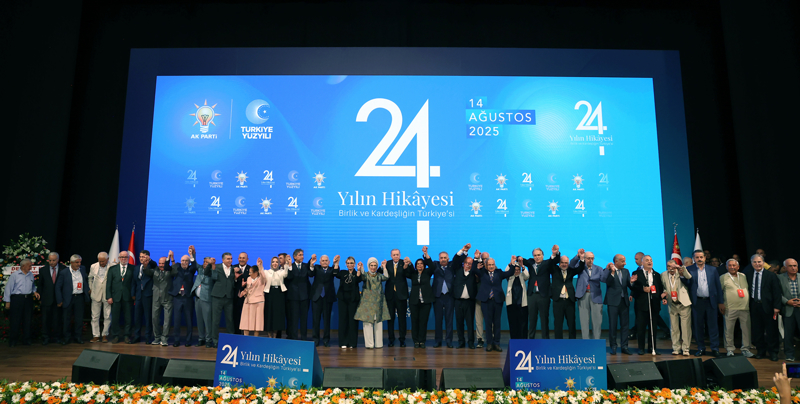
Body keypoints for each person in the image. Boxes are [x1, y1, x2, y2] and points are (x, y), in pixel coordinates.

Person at [741, 253, 781, 360]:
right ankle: (760, 351)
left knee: (771, 330)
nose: (757, 264)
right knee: (757, 330)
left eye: (759, 262)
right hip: (754, 306)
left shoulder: (771, 275)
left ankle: (773, 352)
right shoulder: (747, 274)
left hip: (768, 306)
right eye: (755, 262)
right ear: (751, 263)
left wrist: (777, 307)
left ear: (763, 263)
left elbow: (777, 292)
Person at [685, 249, 724, 357]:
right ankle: (701, 348)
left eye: (701, 257)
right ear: (694, 258)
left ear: (705, 258)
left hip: (711, 301)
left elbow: (718, 286)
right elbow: (686, 283)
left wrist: (720, 302)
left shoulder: (713, 269)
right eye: (697, 257)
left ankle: (715, 349)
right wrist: (682, 275)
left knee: (713, 326)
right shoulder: (689, 269)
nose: (699, 259)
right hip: (697, 302)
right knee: (698, 327)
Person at [424, 246, 462, 348]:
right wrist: (426, 253)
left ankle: (449, 340)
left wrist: (463, 250)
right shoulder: (435, 265)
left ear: (448, 259)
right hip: (438, 296)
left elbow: (457, 259)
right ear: (439, 259)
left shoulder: (452, 265)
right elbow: (428, 262)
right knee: (438, 320)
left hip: (449, 296)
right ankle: (438, 341)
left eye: (445, 258)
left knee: (449, 320)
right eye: (441, 258)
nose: (443, 259)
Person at [476, 255, 515, 352]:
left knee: (497, 323)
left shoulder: (499, 272)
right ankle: (489, 343)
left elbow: (510, 273)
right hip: (486, 301)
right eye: (489, 265)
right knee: (488, 323)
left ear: (495, 265)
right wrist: (476, 259)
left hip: (497, 301)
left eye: (492, 264)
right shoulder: (482, 272)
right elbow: (473, 270)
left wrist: (512, 263)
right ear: (486, 265)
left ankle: (497, 343)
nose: (491, 266)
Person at [522, 245, 561, 339]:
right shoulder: (531, 262)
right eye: (535, 255)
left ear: (542, 255)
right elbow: (522, 260)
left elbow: (555, 261)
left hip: (543, 295)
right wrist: (518, 258)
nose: (537, 257)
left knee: (544, 319)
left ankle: (545, 339)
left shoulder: (547, 263)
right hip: (532, 295)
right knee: (532, 319)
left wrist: (555, 254)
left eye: (539, 255)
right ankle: (531, 339)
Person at [631, 255, 664, 355]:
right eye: (647, 260)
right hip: (641, 305)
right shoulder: (636, 273)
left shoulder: (657, 275)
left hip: (654, 304)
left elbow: (660, 289)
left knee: (653, 328)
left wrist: (663, 297)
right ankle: (641, 348)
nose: (650, 262)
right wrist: (642, 289)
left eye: (651, 260)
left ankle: (652, 347)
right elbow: (634, 288)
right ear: (642, 263)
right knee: (641, 328)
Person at [719, 258, 753, 357]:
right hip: (730, 307)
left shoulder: (743, 276)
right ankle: (730, 349)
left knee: (746, 330)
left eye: (734, 265)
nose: (732, 267)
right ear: (726, 267)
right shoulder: (723, 277)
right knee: (729, 330)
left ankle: (746, 349)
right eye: (730, 265)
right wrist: (720, 303)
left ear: (738, 267)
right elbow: (719, 292)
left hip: (744, 308)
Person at [354, 258, 390, 349]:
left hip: (378, 303)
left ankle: (379, 344)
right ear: (368, 266)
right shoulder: (366, 275)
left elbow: (386, 277)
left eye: (375, 265)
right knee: (367, 324)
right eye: (371, 265)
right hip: (367, 304)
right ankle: (369, 344)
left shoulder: (379, 276)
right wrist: (361, 268)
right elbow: (362, 276)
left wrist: (384, 267)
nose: (373, 267)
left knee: (378, 323)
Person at [601, 254, 632, 355]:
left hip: (624, 302)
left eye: (625, 261)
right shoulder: (608, 271)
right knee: (613, 325)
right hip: (613, 302)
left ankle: (624, 346)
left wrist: (632, 282)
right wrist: (613, 272)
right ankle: (613, 346)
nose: (625, 263)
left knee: (625, 326)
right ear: (616, 262)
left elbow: (629, 285)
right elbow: (608, 282)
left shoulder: (626, 271)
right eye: (623, 261)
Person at [549, 249, 584, 340]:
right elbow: (551, 263)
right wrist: (555, 254)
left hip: (569, 301)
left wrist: (581, 258)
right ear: (559, 263)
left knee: (571, 322)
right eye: (562, 262)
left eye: (566, 263)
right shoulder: (554, 269)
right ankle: (558, 342)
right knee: (558, 323)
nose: (564, 264)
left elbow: (580, 268)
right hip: (558, 300)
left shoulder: (571, 270)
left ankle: (572, 342)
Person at [4, 259, 40, 346]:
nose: (31, 267)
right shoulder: (14, 275)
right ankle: (13, 341)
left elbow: (32, 286)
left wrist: (35, 291)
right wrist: (7, 301)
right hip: (17, 299)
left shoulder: (30, 274)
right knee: (15, 320)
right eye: (29, 266)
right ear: (23, 266)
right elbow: (8, 288)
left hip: (28, 299)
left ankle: (26, 340)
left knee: (27, 320)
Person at [56, 254, 90, 344]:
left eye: (80, 262)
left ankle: (78, 337)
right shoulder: (64, 272)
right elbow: (58, 287)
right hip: (68, 298)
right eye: (77, 262)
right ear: (71, 262)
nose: (79, 264)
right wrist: (59, 300)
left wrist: (87, 290)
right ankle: (66, 337)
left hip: (79, 297)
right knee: (66, 319)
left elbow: (85, 281)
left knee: (79, 319)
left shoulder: (82, 269)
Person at [660, 259, 692, 356]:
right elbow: (664, 287)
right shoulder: (663, 275)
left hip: (683, 304)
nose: (671, 268)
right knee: (674, 328)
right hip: (672, 304)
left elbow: (689, 277)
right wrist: (664, 295)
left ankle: (686, 349)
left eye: (673, 266)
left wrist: (680, 268)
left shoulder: (681, 272)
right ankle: (676, 348)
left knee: (685, 328)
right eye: (668, 266)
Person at [572, 249, 603, 340]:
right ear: (584, 258)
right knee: (584, 320)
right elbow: (571, 264)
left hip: (595, 296)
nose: (590, 260)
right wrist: (578, 256)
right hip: (583, 295)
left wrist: (609, 271)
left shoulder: (599, 268)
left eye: (592, 258)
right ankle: (586, 341)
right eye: (588, 258)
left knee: (597, 321)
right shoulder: (580, 266)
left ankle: (596, 341)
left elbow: (604, 279)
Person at [207, 252, 236, 347]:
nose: (230, 260)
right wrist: (211, 264)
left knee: (230, 320)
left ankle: (231, 340)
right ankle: (215, 341)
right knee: (215, 320)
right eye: (228, 259)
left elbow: (233, 281)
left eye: (231, 259)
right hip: (217, 297)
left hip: (229, 298)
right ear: (223, 260)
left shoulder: (233, 269)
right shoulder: (216, 266)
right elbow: (210, 275)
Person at [309, 254, 339, 347]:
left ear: (329, 262)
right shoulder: (316, 268)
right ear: (320, 262)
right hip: (316, 297)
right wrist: (311, 264)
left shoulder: (332, 269)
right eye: (323, 260)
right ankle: (315, 339)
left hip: (327, 298)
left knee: (327, 320)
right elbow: (310, 274)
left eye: (326, 260)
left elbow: (336, 273)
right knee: (316, 320)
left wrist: (336, 264)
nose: (325, 262)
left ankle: (326, 340)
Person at [405, 254, 434, 348]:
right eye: (418, 264)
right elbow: (405, 272)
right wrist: (408, 263)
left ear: (424, 265)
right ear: (415, 265)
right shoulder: (413, 274)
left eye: (421, 263)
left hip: (426, 302)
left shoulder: (428, 272)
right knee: (415, 322)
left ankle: (422, 341)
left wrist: (426, 255)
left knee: (423, 322)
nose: (419, 265)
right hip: (414, 302)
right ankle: (416, 341)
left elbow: (432, 266)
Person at [383, 249, 409, 347]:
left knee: (402, 319)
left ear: (400, 255)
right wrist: (382, 266)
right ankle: (391, 339)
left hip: (401, 295)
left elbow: (409, 273)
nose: (396, 256)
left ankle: (402, 339)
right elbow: (380, 273)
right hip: (390, 295)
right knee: (390, 318)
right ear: (391, 255)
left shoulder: (404, 263)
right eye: (394, 255)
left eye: (397, 254)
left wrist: (407, 265)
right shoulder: (388, 264)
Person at [39, 252, 67, 345]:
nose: (51, 262)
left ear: (58, 260)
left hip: (59, 299)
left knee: (57, 319)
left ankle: (57, 337)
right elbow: (40, 285)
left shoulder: (64, 269)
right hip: (46, 299)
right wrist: (40, 298)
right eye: (50, 260)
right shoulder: (43, 270)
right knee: (45, 320)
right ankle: (45, 337)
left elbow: (66, 285)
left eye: (53, 260)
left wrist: (62, 299)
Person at [170, 252, 197, 346]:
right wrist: (171, 258)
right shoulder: (177, 268)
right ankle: (176, 340)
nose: (184, 262)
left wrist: (192, 256)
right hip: (177, 298)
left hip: (187, 298)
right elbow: (167, 268)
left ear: (189, 262)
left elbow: (195, 266)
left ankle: (188, 340)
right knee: (176, 320)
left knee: (189, 320)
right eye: (182, 260)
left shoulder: (191, 269)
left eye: (186, 261)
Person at [107, 251, 134, 343]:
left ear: (128, 258)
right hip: (115, 298)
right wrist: (109, 296)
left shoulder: (133, 268)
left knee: (128, 318)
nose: (123, 259)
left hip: (128, 298)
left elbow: (134, 283)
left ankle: (127, 335)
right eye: (122, 257)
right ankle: (115, 336)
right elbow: (109, 284)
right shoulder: (112, 269)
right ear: (118, 258)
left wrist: (133, 295)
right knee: (115, 318)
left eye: (125, 257)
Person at [286, 249, 313, 340]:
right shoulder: (290, 266)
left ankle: (304, 338)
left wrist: (311, 265)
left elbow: (311, 274)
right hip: (293, 297)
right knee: (294, 318)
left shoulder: (306, 265)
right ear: (295, 256)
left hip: (304, 296)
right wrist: (290, 266)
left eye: (302, 255)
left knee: (304, 318)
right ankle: (294, 338)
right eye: (300, 255)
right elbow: (289, 277)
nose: (302, 256)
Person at [454, 252, 480, 349]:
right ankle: (461, 341)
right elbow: (456, 260)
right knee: (459, 322)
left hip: (470, 302)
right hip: (458, 301)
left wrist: (476, 258)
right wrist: (463, 252)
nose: (468, 265)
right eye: (466, 263)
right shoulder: (458, 270)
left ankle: (471, 342)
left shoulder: (474, 272)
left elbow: (477, 271)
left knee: (470, 323)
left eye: (470, 263)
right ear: (463, 263)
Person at [148, 254, 173, 346]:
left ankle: (164, 338)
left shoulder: (170, 270)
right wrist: (148, 260)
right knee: (155, 318)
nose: (161, 265)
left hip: (167, 298)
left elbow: (174, 270)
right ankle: (157, 337)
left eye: (163, 263)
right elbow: (149, 267)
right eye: (160, 263)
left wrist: (170, 259)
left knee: (167, 320)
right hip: (156, 298)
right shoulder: (155, 270)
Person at [336, 256, 361, 348]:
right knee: (343, 320)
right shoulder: (343, 272)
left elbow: (358, 279)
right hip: (343, 299)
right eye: (348, 263)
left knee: (353, 321)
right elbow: (336, 274)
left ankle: (352, 343)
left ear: (354, 264)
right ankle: (343, 342)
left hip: (353, 299)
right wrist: (336, 263)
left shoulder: (357, 273)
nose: (350, 265)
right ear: (346, 264)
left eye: (351, 263)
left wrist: (359, 270)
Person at [131, 250, 155, 343]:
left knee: (148, 317)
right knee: (137, 317)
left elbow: (154, 264)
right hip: (138, 296)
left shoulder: (151, 266)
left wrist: (149, 260)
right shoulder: (136, 268)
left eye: (144, 257)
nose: (141, 258)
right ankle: (137, 336)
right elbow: (134, 282)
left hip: (148, 295)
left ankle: (148, 337)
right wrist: (133, 294)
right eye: (140, 256)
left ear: (148, 257)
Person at [262, 256, 289, 339]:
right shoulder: (267, 272)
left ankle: (275, 336)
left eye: (277, 262)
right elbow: (262, 275)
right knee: (269, 313)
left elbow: (286, 273)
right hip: (269, 293)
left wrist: (287, 263)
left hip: (279, 294)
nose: (275, 263)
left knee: (277, 315)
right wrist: (260, 265)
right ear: (271, 263)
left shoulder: (282, 272)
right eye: (273, 262)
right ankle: (269, 336)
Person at [778, 258, 800, 360]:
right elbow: (777, 293)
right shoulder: (779, 278)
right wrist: (787, 301)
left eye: (795, 266)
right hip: (788, 308)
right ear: (785, 267)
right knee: (788, 333)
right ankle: (790, 355)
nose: (793, 268)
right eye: (790, 266)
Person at [191, 255, 214, 348]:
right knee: (199, 320)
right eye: (204, 262)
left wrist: (211, 265)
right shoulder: (200, 269)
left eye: (207, 262)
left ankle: (209, 340)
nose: (205, 263)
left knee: (207, 321)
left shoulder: (212, 271)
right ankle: (201, 339)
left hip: (207, 300)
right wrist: (192, 254)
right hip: (197, 299)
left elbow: (212, 275)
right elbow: (194, 263)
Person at [88, 252, 111, 343]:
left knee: (107, 316)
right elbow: (90, 278)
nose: (101, 263)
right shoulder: (93, 266)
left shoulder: (112, 266)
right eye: (99, 261)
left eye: (103, 261)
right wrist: (91, 288)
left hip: (107, 295)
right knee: (94, 316)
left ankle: (105, 334)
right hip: (95, 294)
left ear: (107, 259)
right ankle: (96, 335)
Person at [506, 252, 529, 340]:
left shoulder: (522, 276)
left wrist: (522, 266)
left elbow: (527, 275)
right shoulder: (510, 277)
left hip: (522, 304)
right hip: (511, 304)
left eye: (518, 269)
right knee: (513, 323)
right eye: (515, 270)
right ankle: (514, 340)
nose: (516, 271)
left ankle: (523, 340)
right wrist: (510, 263)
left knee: (523, 323)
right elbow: (506, 271)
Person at [240, 264, 267, 336]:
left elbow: (263, 276)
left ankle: (255, 338)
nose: (249, 274)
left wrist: (260, 266)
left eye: (250, 272)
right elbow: (249, 288)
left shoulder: (261, 279)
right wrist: (244, 291)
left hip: (258, 302)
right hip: (248, 301)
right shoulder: (249, 278)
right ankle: (245, 337)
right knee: (245, 321)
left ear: (256, 272)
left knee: (257, 321)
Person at [472, 251, 490, 347]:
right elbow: (472, 273)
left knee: (490, 320)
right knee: (478, 320)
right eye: (483, 259)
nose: (485, 260)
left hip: (490, 298)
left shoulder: (493, 267)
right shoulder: (477, 268)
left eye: (486, 258)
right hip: (479, 297)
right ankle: (480, 339)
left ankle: (491, 339)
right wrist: (477, 267)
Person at [234, 252, 251, 334]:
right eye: (240, 258)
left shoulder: (250, 269)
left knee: (246, 317)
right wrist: (235, 279)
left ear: (247, 259)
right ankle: (236, 334)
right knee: (235, 316)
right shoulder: (233, 268)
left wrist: (246, 286)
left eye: (243, 258)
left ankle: (245, 335)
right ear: (238, 259)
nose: (241, 259)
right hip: (235, 297)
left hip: (246, 297)